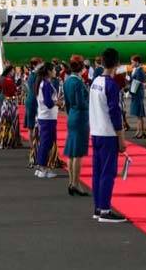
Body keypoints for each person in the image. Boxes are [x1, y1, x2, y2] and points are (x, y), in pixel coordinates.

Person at [89, 48, 127, 223]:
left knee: (97, 172)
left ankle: (98, 207)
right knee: (107, 173)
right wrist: (121, 138)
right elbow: (115, 113)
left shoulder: (95, 81)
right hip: (108, 134)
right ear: (117, 64)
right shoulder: (111, 85)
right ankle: (105, 209)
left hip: (96, 132)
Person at [63, 55, 90, 196]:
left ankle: (71, 182)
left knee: (71, 152)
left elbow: (67, 103)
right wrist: (91, 105)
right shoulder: (78, 83)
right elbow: (81, 103)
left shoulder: (67, 81)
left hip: (72, 115)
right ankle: (75, 183)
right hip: (80, 117)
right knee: (78, 153)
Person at [34, 63, 62, 179]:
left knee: (44, 142)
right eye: (54, 70)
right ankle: (43, 168)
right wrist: (57, 102)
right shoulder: (45, 84)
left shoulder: (42, 83)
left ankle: (40, 167)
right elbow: (49, 103)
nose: (55, 72)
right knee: (47, 143)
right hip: (48, 117)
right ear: (49, 72)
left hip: (45, 116)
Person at [0, 66, 23, 149]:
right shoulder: (10, 81)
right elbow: (14, 92)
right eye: (13, 71)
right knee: (13, 122)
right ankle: (11, 140)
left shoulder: (4, 79)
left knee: (5, 121)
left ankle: (3, 139)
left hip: (5, 102)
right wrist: (18, 90)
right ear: (9, 72)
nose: (13, 72)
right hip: (11, 103)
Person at [24, 58, 41, 167]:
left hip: (31, 100)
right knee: (33, 126)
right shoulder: (35, 76)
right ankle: (34, 149)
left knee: (31, 126)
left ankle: (33, 148)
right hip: (34, 101)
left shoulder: (32, 75)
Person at [128, 55, 146, 139]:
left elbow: (137, 83)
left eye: (132, 62)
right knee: (138, 114)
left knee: (139, 114)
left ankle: (140, 132)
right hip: (137, 93)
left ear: (137, 62)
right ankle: (140, 131)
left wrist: (130, 91)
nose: (131, 64)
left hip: (137, 93)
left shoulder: (139, 70)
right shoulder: (138, 70)